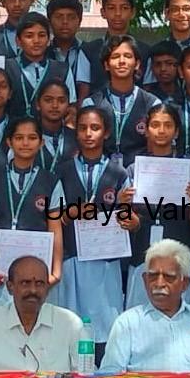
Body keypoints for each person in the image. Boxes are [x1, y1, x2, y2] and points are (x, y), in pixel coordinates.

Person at [54, 107, 134, 364]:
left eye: (95, 128)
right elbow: (54, 216)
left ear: (106, 132)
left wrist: (127, 216)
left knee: (105, 325)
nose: (89, 134)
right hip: (73, 257)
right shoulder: (62, 170)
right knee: (72, 325)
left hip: (105, 261)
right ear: (75, 132)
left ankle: (106, 373)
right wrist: (70, 213)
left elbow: (128, 218)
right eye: (83, 128)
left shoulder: (119, 173)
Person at [100, 239, 190, 373]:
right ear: (144, 280)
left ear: (185, 283)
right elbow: (109, 375)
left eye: (169, 277)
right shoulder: (127, 323)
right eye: (153, 276)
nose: (159, 284)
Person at [0, 117, 64, 311]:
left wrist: (56, 271)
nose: (25, 143)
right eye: (19, 138)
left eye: (32, 138)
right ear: (9, 142)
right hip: (0, 272)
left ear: (41, 143)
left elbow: (55, 228)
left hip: (38, 271)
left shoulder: (51, 181)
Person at [121, 105, 190, 309]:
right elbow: (127, 217)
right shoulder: (133, 169)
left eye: (168, 125)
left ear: (177, 132)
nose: (161, 130)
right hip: (142, 246)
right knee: (140, 310)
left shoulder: (188, 168)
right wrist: (124, 203)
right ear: (146, 130)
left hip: (179, 242)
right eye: (155, 125)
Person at [0, 255, 82, 372]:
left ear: (47, 288)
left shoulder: (69, 324)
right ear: (10, 287)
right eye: (25, 283)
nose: (33, 290)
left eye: (39, 284)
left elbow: (86, 376)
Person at [80, 35, 165, 167]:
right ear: (106, 65)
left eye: (127, 56)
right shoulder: (91, 104)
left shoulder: (152, 104)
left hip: (140, 171)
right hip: (102, 173)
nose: (122, 61)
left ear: (137, 64)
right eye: (115, 57)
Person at [5, 12, 78, 117]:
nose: (36, 41)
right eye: (29, 36)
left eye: (42, 35)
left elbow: (70, 107)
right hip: (14, 126)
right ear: (18, 41)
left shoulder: (62, 69)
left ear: (48, 40)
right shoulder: (6, 68)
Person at [82, 0, 150, 92]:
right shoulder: (88, 51)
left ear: (132, 12)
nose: (118, 14)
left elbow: (148, 91)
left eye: (124, 8)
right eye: (111, 8)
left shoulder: (145, 52)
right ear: (103, 13)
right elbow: (83, 92)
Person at [46, 0, 92, 102]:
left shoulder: (90, 52)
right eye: (59, 17)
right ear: (49, 22)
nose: (65, 22)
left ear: (79, 21)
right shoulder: (43, 53)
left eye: (71, 17)